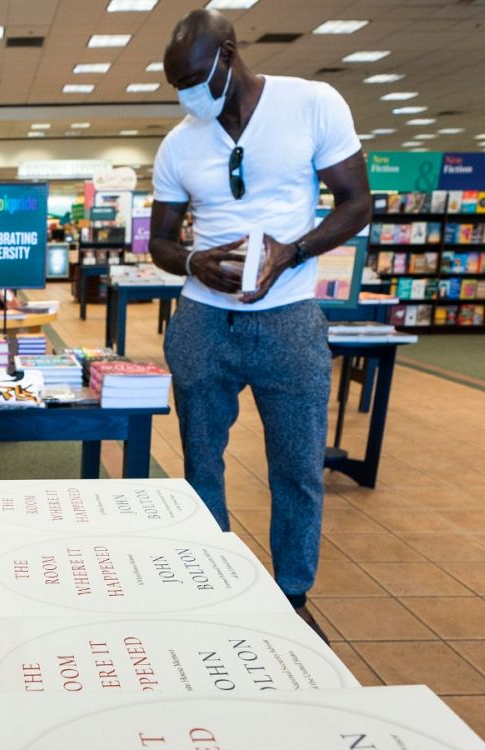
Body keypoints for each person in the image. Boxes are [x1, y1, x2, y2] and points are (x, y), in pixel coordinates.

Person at [148, 9, 372, 632]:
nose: (189, 96)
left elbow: (357, 203)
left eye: (195, 78)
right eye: (177, 87)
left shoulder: (311, 104)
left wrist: (292, 251)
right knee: (200, 463)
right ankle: (212, 587)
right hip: (201, 323)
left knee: (298, 467)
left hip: (289, 317)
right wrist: (193, 260)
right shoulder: (179, 142)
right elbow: (159, 243)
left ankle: (294, 598)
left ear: (228, 53)